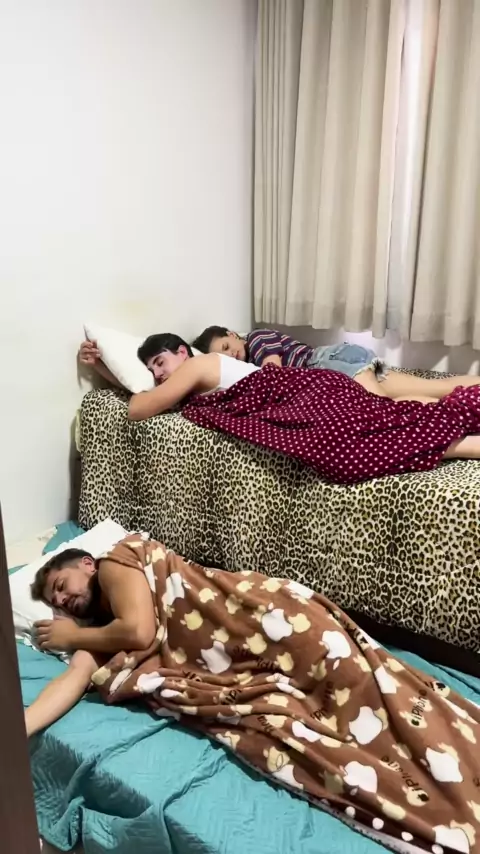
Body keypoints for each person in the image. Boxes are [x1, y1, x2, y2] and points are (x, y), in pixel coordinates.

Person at [25, 535, 480, 854]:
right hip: (252, 661)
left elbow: (141, 631)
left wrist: (70, 636)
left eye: (61, 587)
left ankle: (454, 768)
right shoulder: (99, 633)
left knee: (374, 697)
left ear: (86, 564)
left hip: (268, 621)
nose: (61, 602)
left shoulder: (116, 562)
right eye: (54, 602)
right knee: (346, 728)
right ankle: (449, 790)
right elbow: (71, 681)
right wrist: (18, 729)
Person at [192, 324, 480, 403]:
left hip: (331, 362)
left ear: (233, 334)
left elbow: (273, 370)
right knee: (427, 386)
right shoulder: (250, 352)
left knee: (385, 407)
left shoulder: (256, 339)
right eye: (224, 356)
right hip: (352, 356)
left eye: (226, 347)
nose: (231, 356)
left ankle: (455, 417)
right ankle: (468, 400)